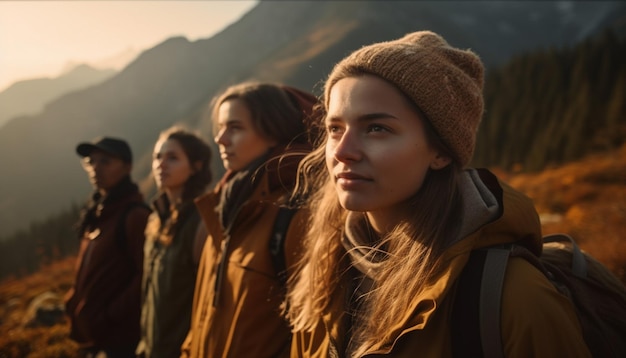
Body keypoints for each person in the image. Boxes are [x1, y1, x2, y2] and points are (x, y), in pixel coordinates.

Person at [285, 31, 592, 357]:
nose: (343, 151)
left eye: (377, 128)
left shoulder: (513, 299)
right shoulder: (325, 275)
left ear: (441, 153)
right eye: (335, 129)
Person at [180, 82, 318, 357]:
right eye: (220, 127)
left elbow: (309, 336)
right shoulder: (225, 206)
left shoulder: (297, 215)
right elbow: (203, 312)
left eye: (235, 128)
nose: (220, 139)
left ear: (274, 132)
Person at [65, 136, 151, 358]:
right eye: (91, 162)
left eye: (105, 161)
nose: (95, 168)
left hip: (123, 339)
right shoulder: (96, 215)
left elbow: (145, 276)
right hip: (97, 334)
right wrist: (73, 301)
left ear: (127, 167)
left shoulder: (135, 216)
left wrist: (109, 315)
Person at [135, 127, 213, 358]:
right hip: (150, 347)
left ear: (196, 166)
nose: (161, 164)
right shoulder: (156, 218)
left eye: (173, 158)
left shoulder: (201, 223)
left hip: (181, 350)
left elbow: (206, 300)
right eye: (158, 157)